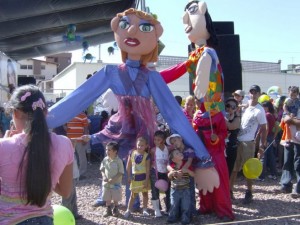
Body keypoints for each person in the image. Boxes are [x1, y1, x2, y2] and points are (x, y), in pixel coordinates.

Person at [48, 8, 219, 199]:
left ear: (155, 36)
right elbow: (79, 98)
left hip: (143, 130)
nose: (131, 32)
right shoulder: (111, 72)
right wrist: (44, 118)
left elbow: (173, 114)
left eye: (144, 28)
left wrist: (204, 158)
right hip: (122, 126)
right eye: (124, 25)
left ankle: (149, 201)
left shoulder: (151, 77)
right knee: (117, 162)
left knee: (145, 165)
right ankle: (116, 198)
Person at [0, 84, 73, 225]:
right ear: (45, 112)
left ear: (15, 113)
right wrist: (46, 175)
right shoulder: (64, 144)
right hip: (45, 220)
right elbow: (65, 191)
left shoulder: (3, 147)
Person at [230, 85, 267, 204]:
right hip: (238, 140)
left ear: (259, 94)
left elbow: (264, 128)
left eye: (256, 92)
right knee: (234, 168)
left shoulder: (259, 110)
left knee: (248, 168)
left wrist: (261, 145)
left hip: (248, 142)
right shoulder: (245, 107)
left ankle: (249, 192)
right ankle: (230, 191)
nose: (253, 94)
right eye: (251, 92)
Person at [166, 134, 196, 215]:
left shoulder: (189, 150)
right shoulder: (174, 152)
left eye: (175, 140)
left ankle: (192, 213)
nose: (174, 144)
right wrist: (173, 171)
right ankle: (178, 213)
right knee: (177, 194)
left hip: (188, 175)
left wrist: (182, 171)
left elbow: (189, 161)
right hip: (177, 176)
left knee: (190, 194)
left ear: (180, 138)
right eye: (172, 143)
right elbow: (168, 164)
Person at [124, 137, 151, 218]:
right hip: (134, 178)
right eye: (138, 145)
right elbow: (128, 166)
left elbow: (147, 169)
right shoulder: (132, 153)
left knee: (145, 194)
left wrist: (146, 180)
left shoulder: (147, 156)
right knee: (133, 195)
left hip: (143, 178)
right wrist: (128, 176)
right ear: (136, 144)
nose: (140, 147)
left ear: (146, 146)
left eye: (142, 145)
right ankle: (128, 209)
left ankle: (145, 209)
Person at [167, 149, 195, 225]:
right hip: (174, 190)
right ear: (173, 159)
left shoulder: (186, 165)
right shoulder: (172, 167)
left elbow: (193, 175)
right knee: (173, 205)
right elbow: (168, 176)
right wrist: (172, 173)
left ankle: (185, 218)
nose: (180, 153)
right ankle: (172, 217)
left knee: (185, 205)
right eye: (177, 153)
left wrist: (188, 171)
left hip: (185, 189)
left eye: (179, 152)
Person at [277, 114, 300, 198]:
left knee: (298, 165)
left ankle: (298, 189)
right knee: (287, 163)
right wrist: (286, 117)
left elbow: (289, 119)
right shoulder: (291, 102)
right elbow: (285, 116)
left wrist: (291, 120)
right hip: (289, 139)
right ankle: (285, 185)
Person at [100, 141, 124, 217]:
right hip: (107, 184)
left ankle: (116, 209)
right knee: (107, 197)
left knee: (115, 197)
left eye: (109, 150)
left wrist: (114, 179)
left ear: (115, 151)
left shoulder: (119, 161)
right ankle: (108, 209)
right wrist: (104, 176)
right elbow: (102, 169)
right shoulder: (105, 160)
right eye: (106, 150)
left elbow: (121, 172)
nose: (107, 151)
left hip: (116, 183)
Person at [150, 130, 170, 217]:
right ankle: (157, 210)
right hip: (156, 172)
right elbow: (150, 160)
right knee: (155, 191)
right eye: (155, 139)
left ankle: (168, 209)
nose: (156, 141)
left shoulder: (168, 149)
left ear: (163, 140)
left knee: (168, 190)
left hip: (166, 172)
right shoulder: (153, 150)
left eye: (158, 139)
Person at [66, 112, 90, 179]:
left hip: (80, 140)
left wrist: (85, 139)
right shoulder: (68, 114)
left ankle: (82, 173)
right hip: (70, 140)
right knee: (72, 157)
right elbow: (65, 125)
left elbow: (86, 127)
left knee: (81, 156)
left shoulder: (82, 115)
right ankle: (74, 173)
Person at [258, 101, 278, 181]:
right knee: (271, 156)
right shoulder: (272, 115)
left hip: (265, 136)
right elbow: (276, 127)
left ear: (267, 107)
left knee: (263, 156)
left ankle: (261, 176)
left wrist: (264, 139)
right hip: (270, 137)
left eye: (264, 107)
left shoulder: (266, 115)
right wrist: (273, 137)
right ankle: (274, 174)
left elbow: (266, 128)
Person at [224, 98, 240, 192]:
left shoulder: (237, 118)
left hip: (231, 147)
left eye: (233, 107)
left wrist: (221, 117)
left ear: (236, 108)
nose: (230, 108)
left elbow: (231, 126)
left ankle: (228, 191)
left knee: (229, 170)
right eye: (228, 106)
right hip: (222, 147)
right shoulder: (223, 116)